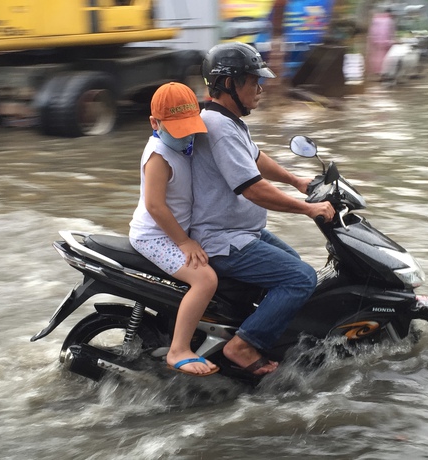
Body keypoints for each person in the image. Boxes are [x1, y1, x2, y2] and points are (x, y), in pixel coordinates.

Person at [190, 42, 336, 376]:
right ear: (228, 83)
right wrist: (306, 209)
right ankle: (242, 345)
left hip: (241, 231)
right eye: (252, 81)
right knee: (301, 278)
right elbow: (253, 188)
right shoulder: (218, 126)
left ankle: (246, 325)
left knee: (295, 266)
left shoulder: (228, 121)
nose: (260, 88)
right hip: (222, 239)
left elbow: (255, 159)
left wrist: (297, 181)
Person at [128, 82, 219, 377]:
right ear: (155, 124)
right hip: (154, 236)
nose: (187, 135)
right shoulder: (158, 156)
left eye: (190, 127)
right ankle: (178, 349)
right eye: (178, 130)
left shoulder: (184, 146)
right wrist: (184, 242)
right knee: (205, 279)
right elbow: (156, 206)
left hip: (174, 231)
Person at [366, 7, 396, 80]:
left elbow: (372, 31)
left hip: (376, 42)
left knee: (376, 58)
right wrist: (391, 41)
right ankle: (383, 73)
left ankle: (376, 73)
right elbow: (390, 32)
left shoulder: (375, 19)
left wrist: (372, 41)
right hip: (385, 42)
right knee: (385, 57)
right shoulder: (389, 20)